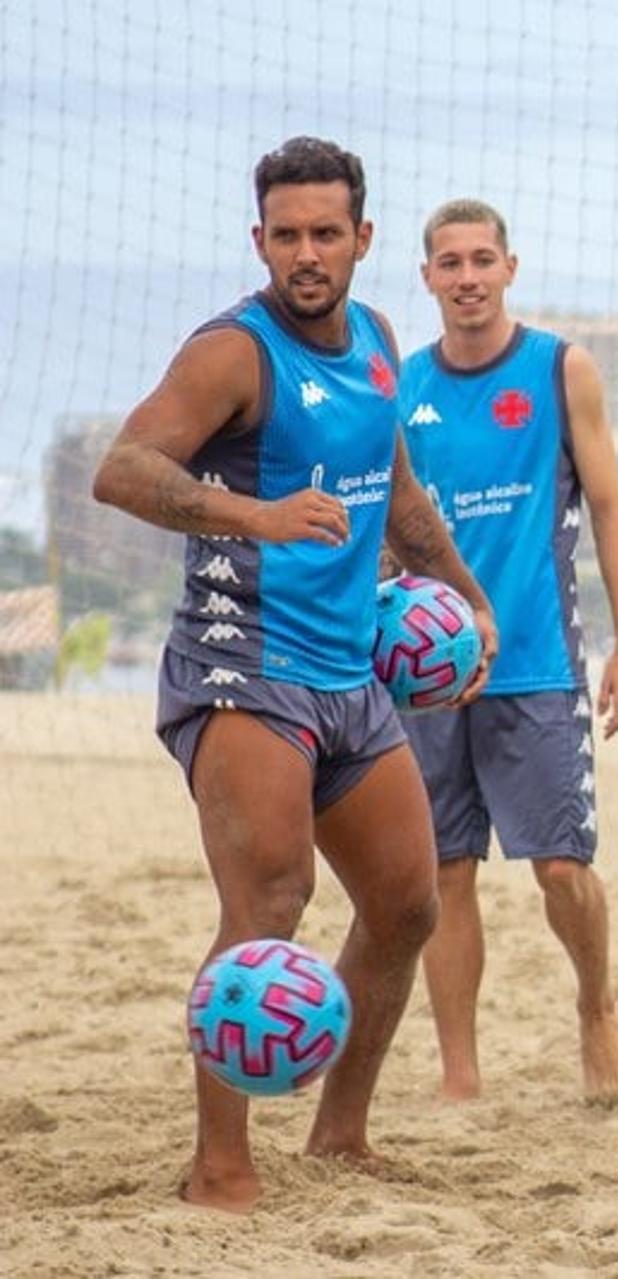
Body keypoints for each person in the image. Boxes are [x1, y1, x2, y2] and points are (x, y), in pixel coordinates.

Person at [91, 137, 500, 1212]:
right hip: (241, 668)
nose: (307, 253)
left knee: (408, 906)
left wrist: (467, 597)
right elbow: (122, 469)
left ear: (364, 239)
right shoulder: (233, 352)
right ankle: (220, 1165)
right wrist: (252, 514)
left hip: (350, 672)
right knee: (270, 897)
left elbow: (397, 499)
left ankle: (341, 1134)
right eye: (287, 235)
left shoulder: (375, 336)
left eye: (327, 233)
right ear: (259, 239)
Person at [395, 198, 618, 1102]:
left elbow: (610, 510)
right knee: (444, 871)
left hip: (538, 660)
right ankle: (460, 1074)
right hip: (427, 675)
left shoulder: (558, 369)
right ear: (426, 276)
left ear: (510, 267)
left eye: (481, 260)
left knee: (559, 867)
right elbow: (387, 529)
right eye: (449, 263)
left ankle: (596, 1004)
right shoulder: (400, 385)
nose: (466, 277)